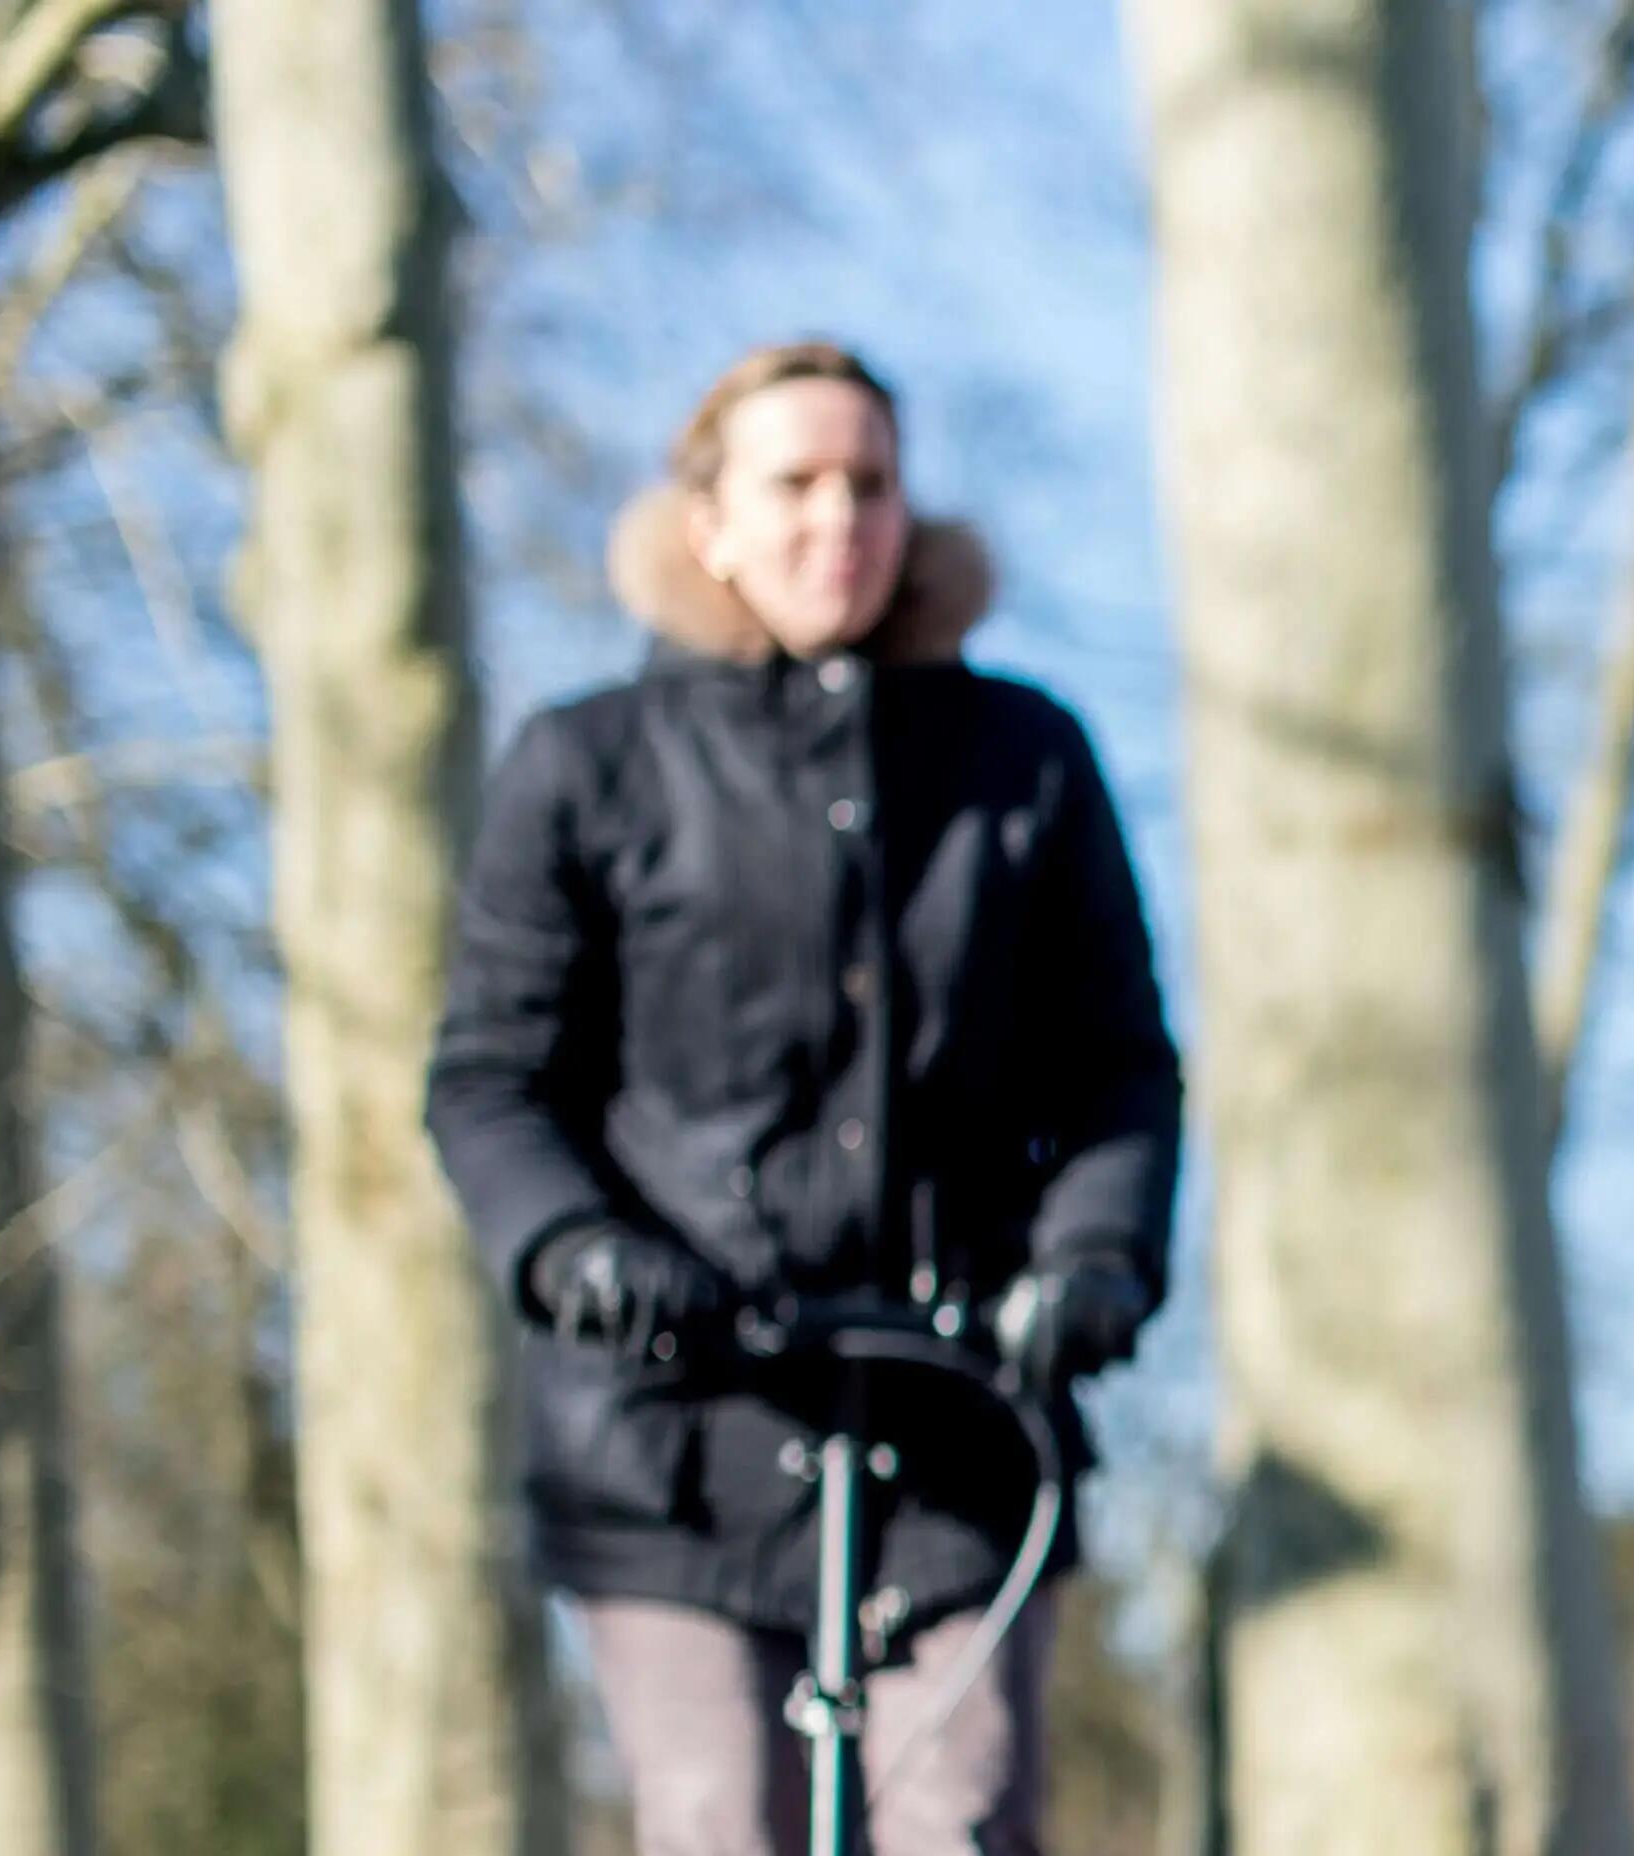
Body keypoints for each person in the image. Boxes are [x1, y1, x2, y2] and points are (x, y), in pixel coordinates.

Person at [431, 340, 1180, 1856]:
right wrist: (582, 1250)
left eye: (873, 485)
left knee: (958, 1819)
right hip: (677, 1430)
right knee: (723, 1824)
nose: (839, 518)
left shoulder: (1022, 763)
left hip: (961, 1425)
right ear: (707, 521)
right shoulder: (588, 767)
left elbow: (1116, 1066)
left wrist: (1091, 1261)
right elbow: (493, 1080)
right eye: (796, 484)